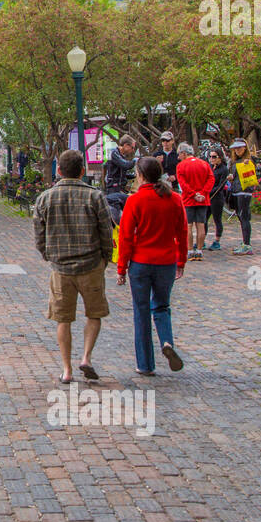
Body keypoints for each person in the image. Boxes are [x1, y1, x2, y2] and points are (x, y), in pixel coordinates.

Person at [32, 149, 115, 385]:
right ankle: (86, 357)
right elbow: (105, 232)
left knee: (63, 319)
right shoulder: (95, 197)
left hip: (61, 268)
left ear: (58, 170)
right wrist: (105, 258)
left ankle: (67, 369)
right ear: (82, 171)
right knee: (94, 313)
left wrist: (48, 255)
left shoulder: (46, 198)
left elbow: (39, 234)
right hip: (91, 264)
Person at [116, 157, 188, 375]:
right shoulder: (174, 199)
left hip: (141, 263)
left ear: (140, 175)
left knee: (141, 311)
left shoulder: (135, 201)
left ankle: (145, 364)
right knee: (162, 306)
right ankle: (166, 341)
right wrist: (181, 260)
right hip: (166, 261)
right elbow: (182, 232)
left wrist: (121, 268)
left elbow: (126, 236)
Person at [175, 142, 214, 262]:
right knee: (201, 225)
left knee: (188, 226)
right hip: (203, 199)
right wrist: (203, 193)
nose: (178, 157)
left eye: (179, 154)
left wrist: (193, 194)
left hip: (188, 200)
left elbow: (183, 184)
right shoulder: (204, 164)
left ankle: (191, 250)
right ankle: (200, 250)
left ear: (184, 153)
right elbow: (211, 178)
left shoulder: (181, 166)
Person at [227, 139, 258, 255]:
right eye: (235, 148)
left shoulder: (248, 161)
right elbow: (235, 176)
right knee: (240, 217)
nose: (237, 150)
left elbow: (250, 173)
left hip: (244, 192)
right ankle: (245, 242)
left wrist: (247, 164)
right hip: (236, 190)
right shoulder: (235, 162)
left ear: (245, 148)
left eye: (239, 148)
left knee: (244, 217)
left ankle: (247, 245)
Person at [206, 149, 229, 251]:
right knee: (204, 219)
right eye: (210, 156)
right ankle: (202, 240)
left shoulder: (223, 169)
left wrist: (209, 191)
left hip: (217, 197)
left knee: (217, 219)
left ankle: (217, 241)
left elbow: (221, 185)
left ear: (220, 157)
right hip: (207, 197)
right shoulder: (209, 167)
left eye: (214, 157)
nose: (212, 159)